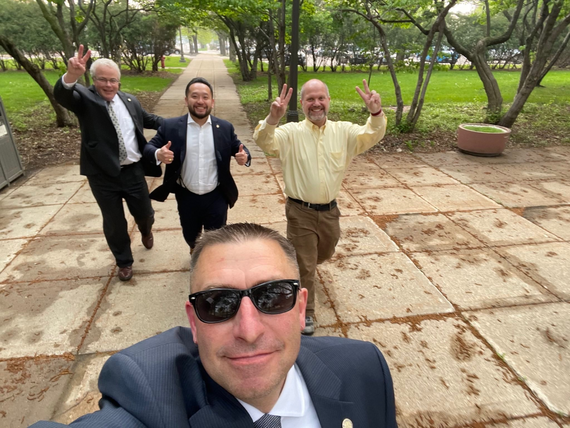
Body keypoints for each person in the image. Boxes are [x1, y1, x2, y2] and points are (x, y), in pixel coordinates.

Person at [29, 223, 397, 427]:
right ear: (193, 321)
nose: (249, 331)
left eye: (272, 297)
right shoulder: (148, 396)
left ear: (301, 308)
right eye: (218, 303)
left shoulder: (365, 369)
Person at [253, 79, 387, 335]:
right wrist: (272, 119)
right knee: (305, 265)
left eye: (320, 98)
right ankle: (306, 312)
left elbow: (371, 134)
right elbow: (264, 141)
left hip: (330, 212)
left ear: (328, 101)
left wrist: (376, 113)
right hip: (299, 211)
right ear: (302, 103)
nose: (316, 104)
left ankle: (302, 267)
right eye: (310, 99)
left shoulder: (343, 131)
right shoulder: (290, 133)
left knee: (324, 253)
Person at [54, 45, 163, 282]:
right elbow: (63, 95)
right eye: (102, 79)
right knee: (114, 222)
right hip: (102, 174)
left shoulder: (130, 100)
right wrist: (71, 75)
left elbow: (150, 120)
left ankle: (146, 230)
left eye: (113, 80)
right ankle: (124, 262)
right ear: (94, 81)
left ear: (119, 82)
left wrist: (182, 125)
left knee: (145, 213)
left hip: (133, 170)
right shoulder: (85, 99)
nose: (108, 85)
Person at [143, 77, 251, 252]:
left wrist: (244, 156)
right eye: (195, 96)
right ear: (186, 100)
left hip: (216, 194)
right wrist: (158, 154)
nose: (200, 101)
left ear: (212, 102)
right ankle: (194, 248)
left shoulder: (224, 127)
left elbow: (239, 147)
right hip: (187, 194)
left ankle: (210, 259)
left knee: (217, 237)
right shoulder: (170, 126)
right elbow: (148, 148)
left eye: (205, 97)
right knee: (190, 233)